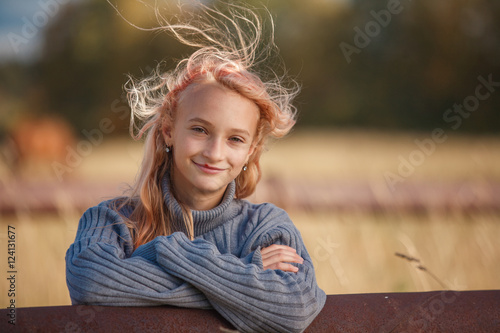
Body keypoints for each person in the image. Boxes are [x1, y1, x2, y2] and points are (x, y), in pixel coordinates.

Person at [65, 2, 326, 332]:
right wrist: (244, 277)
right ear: (169, 130)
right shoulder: (112, 221)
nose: (215, 152)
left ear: (251, 151)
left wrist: (165, 251)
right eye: (200, 130)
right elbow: (91, 282)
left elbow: (294, 308)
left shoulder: (267, 228)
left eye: (235, 139)